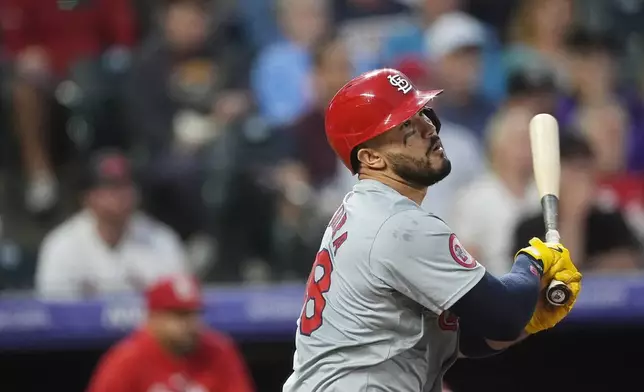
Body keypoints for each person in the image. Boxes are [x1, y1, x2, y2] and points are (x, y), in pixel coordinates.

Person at [282, 68, 582, 392]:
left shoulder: (371, 212)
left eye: (423, 113)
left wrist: (530, 316)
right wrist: (535, 262)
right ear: (371, 158)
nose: (428, 128)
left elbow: (462, 338)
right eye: (406, 126)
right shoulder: (395, 224)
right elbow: (502, 314)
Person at [35, 150, 188, 298]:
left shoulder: (162, 241)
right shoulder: (62, 244)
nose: (121, 195)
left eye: (126, 185)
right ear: (87, 197)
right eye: (110, 186)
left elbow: (180, 306)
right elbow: (53, 311)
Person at [87, 274, 255, 391]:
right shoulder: (127, 359)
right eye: (179, 315)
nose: (190, 324)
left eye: (194, 313)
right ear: (153, 317)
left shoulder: (219, 351)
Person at [513, 132, 642, 271]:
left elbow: (629, 266)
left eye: (585, 170)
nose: (580, 180)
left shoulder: (611, 221)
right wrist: (572, 216)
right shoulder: (528, 227)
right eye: (573, 171)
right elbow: (557, 273)